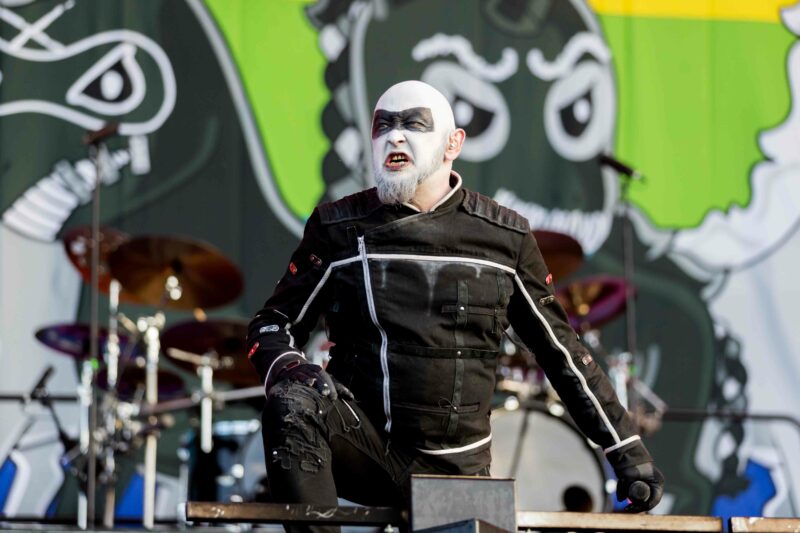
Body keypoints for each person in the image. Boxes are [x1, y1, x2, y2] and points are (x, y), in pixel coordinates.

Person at [247, 80, 664, 531]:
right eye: (383, 126)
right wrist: (290, 367)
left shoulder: (505, 238)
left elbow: (561, 351)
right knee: (292, 401)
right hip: (364, 448)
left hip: (456, 471)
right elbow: (272, 323)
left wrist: (627, 450)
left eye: (413, 125)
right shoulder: (337, 228)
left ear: (453, 144)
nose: (395, 136)